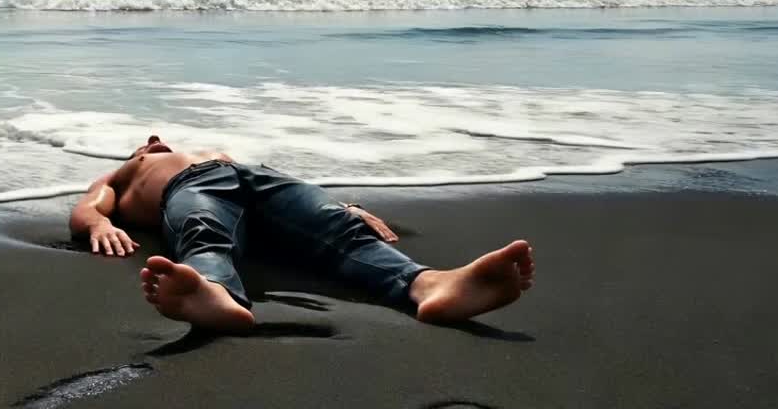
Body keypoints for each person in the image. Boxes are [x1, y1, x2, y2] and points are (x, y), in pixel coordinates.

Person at [68, 136, 534, 333]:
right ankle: (213, 292)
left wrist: (343, 207)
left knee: (335, 228)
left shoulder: (210, 148)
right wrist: (100, 223)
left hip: (257, 177)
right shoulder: (131, 169)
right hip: (190, 189)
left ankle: (432, 285)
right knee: (204, 231)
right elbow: (89, 206)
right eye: (148, 142)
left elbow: (301, 201)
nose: (157, 140)